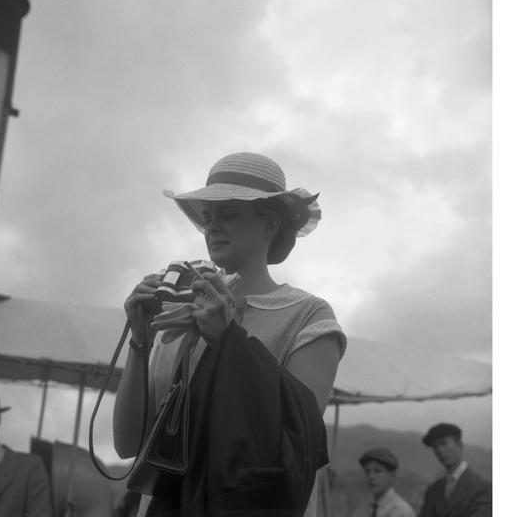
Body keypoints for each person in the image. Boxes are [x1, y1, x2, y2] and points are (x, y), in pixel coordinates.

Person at [112, 152, 346, 516]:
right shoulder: (187, 310)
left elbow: (298, 445)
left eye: (229, 213)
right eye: (208, 217)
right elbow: (128, 444)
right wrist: (139, 342)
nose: (212, 227)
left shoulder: (308, 316)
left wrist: (227, 340)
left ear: (270, 225)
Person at [419, 423, 491, 517]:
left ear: (459, 445)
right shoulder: (433, 491)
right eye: (435, 446)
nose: (439, 450)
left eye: (444, 443)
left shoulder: (483, 488)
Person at [351, 448, 415, 517]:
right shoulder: (365, 509)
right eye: (367, 472)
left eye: (377, 471)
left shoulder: (400, 510)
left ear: (391, 476)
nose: (371, 477)